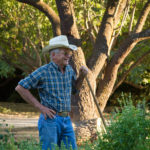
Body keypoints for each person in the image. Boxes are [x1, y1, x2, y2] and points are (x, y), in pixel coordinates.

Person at [15, 35, 88, 150]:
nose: (68, 56)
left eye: (69, 53)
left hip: (66, 119)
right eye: (65, 53)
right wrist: (40, 107)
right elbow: (20, 88)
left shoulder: (69, 70)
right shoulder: (44, 71)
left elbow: (74, 90)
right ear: (53, 55)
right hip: (50, 121)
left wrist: (82, 76)